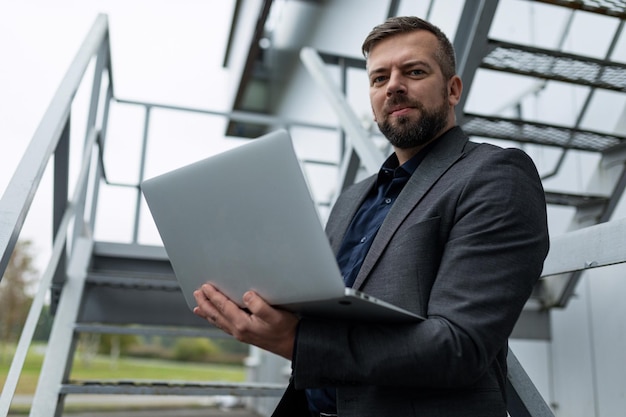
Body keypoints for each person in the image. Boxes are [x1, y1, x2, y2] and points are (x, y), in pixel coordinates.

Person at [193, 15, 549, 417]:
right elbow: (326, 315)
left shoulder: (495, 175)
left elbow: (458, 346)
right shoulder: (351, 198)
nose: (393, 85)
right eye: (379, 78)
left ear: (453, 90)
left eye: (414, 71)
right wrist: (260, 302)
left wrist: (295, 341)